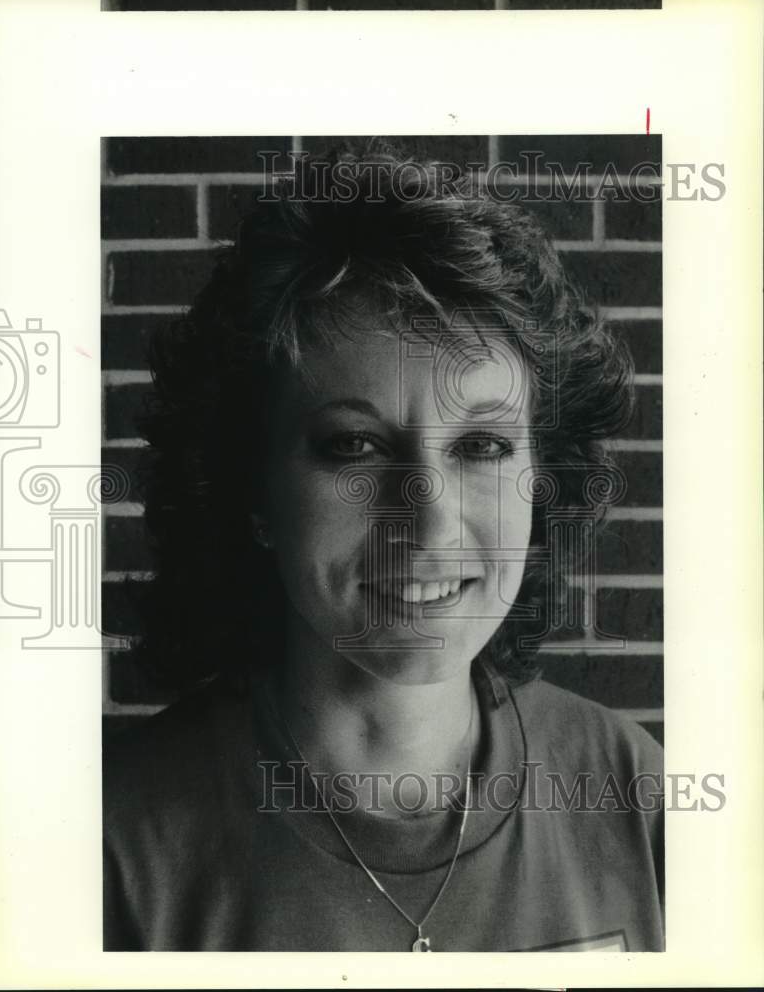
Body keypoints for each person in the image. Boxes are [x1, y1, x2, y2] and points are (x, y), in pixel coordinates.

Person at [103, 145, 664, 952]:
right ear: (251, 487)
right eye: (355, 448)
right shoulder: (112, 846)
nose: (430, 527)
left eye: (482, 446)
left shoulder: (631, 788)